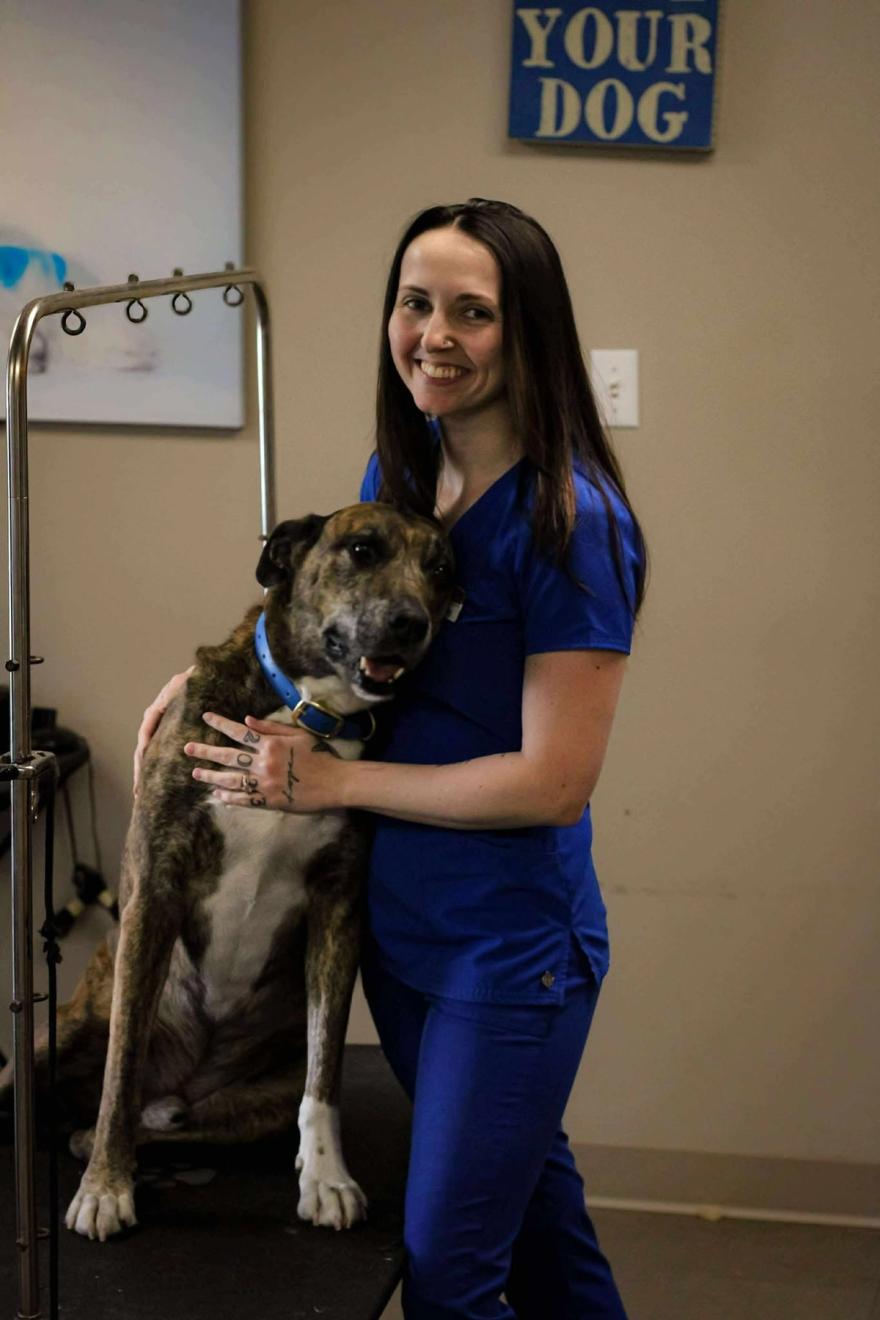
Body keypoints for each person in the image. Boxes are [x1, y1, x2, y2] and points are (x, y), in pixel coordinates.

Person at [136, 198, 646, 1319]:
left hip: (504, 950)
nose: (435, 336)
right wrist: (209, 677)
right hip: (397, 934)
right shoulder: (403, 475)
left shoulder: (573, 521)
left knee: (450, 1275)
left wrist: (336, 781)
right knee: (540, 1230)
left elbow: (556, 781)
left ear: (528, 331)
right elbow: (328, 619)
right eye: (416, 304)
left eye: (474, 312)